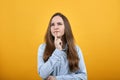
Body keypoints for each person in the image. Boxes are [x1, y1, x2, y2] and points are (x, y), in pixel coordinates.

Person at [37, 12, 87, 80]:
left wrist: (57, 78)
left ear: (66, 27)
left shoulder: (76, 49)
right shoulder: (42, 48)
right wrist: (57, 51)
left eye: (59, 24)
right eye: (52, 25)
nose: (55, 27)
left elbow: (83, 77)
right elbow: (42, 74)